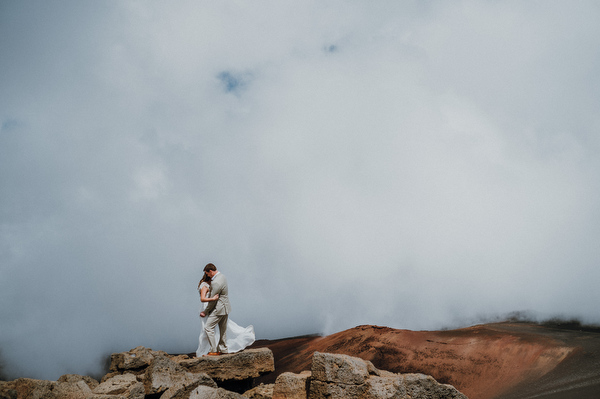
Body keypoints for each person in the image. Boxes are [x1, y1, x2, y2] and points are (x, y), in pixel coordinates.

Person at [196, 263, 255, 357]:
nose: (207, 275)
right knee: (222, 329)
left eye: (207, 273)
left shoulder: (215, 282)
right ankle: (223, 349)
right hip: (226, 308)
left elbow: (213, 300)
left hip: (218, 309)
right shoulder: (222, 277)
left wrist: (205, 311)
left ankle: (213, 350)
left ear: (210, 271)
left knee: (208, 327)